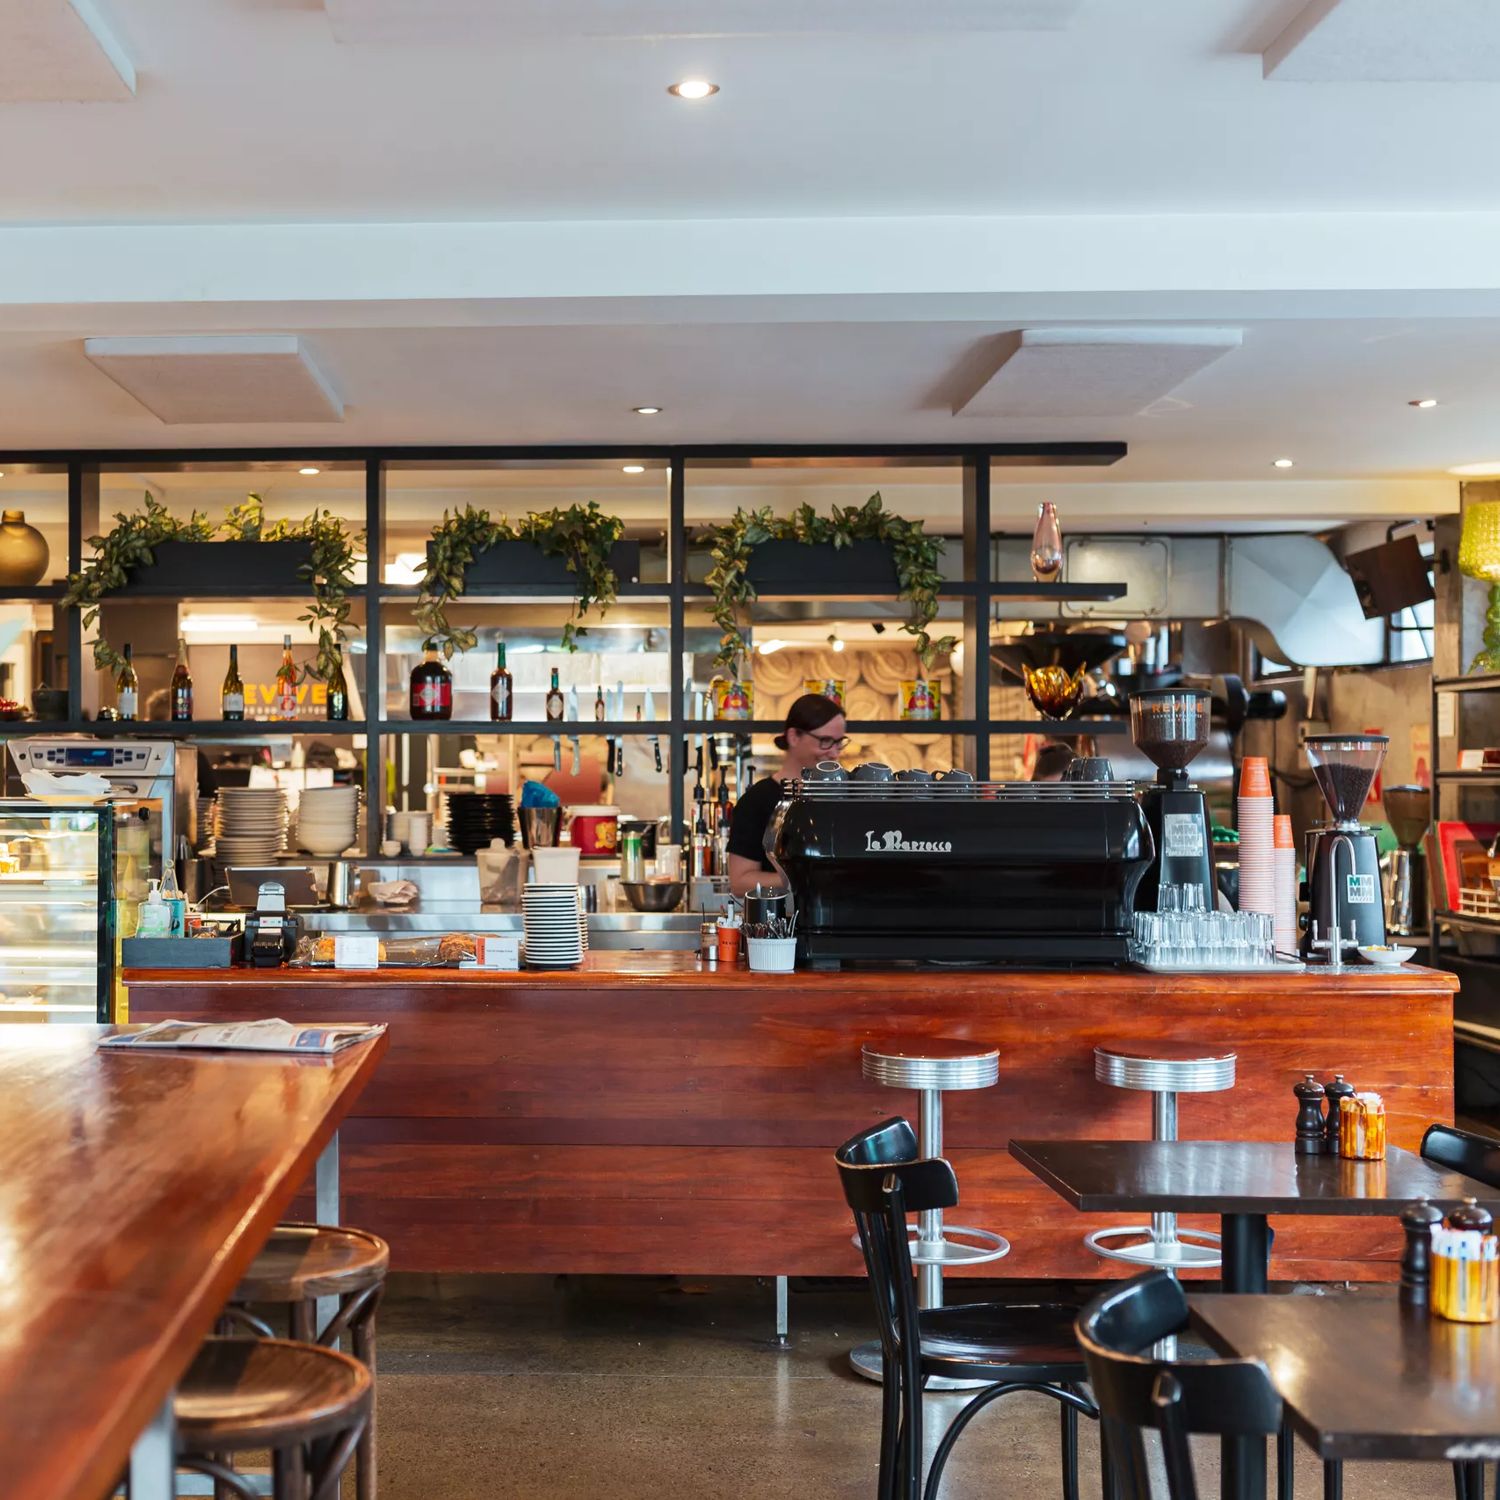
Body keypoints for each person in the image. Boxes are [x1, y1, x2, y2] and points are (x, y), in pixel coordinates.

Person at [727, 693, 847, 898]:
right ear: (793, 737)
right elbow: (739, 882)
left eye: (839, 742)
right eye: (826, 741)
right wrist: (810, 879)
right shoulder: (757, 800)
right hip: (782, 925)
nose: (835, 753)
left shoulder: (846, 797)